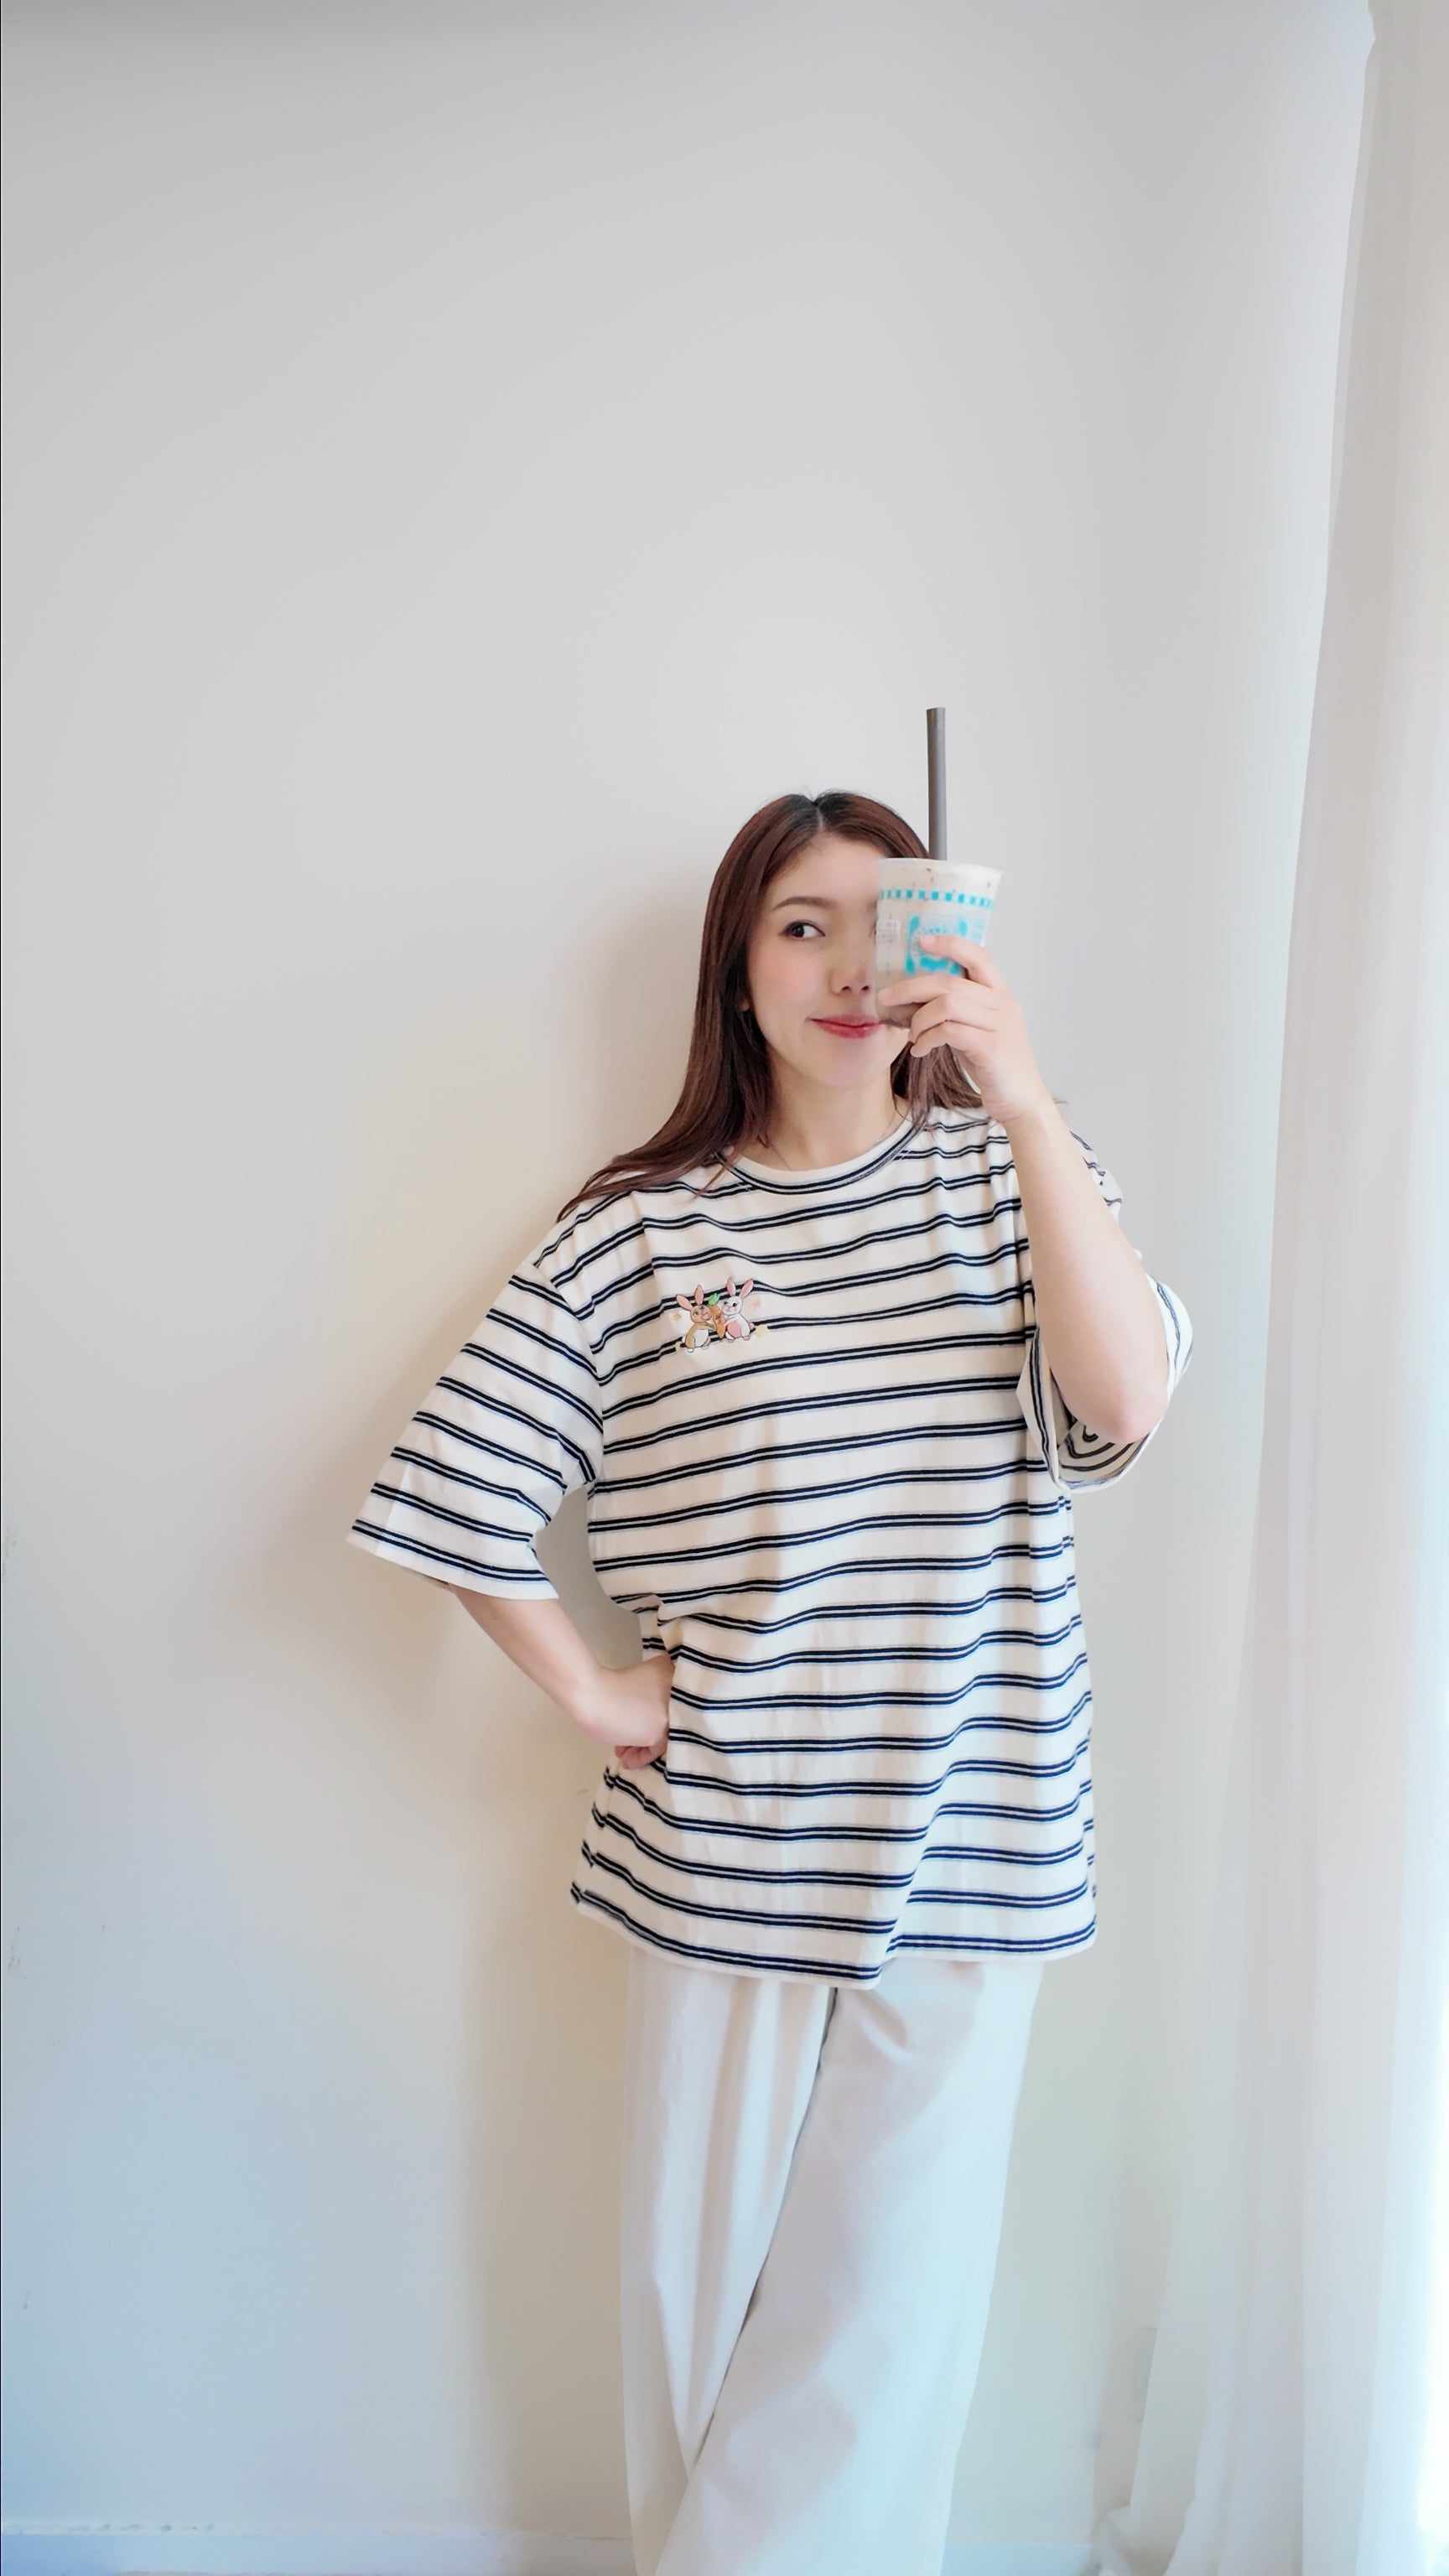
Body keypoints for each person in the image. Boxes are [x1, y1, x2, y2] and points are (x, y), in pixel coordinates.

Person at [349, 789, 1192, 2576]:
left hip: (976, 1839)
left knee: (882, 2329)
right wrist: (595, 1694)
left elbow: (1123, 1406)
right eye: (804, 926)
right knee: (704, 2311)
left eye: (887, 924)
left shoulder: (1011, 1177)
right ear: (737, 970)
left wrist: (1026, 1101)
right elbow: (459, 1480)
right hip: (729, 1844)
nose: (848, 967)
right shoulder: (641, 1234)